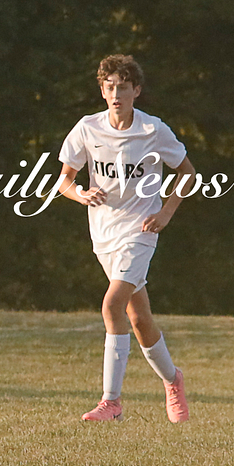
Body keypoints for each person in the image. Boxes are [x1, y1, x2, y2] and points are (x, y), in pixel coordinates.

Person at [56, 54, 194, 424]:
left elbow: (188, 173)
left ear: (137, 90)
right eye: (110, 87)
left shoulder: (153, 130)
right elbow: (64, 180)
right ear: (102, 91)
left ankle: (111, 402)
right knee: (139, 318)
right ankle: (173, 379)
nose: (116, 94)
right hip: (104, 232)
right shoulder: (87, 128)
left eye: (123, 87)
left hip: (140, 231)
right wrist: (80, 194)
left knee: (111, 304)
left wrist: (165, 213)